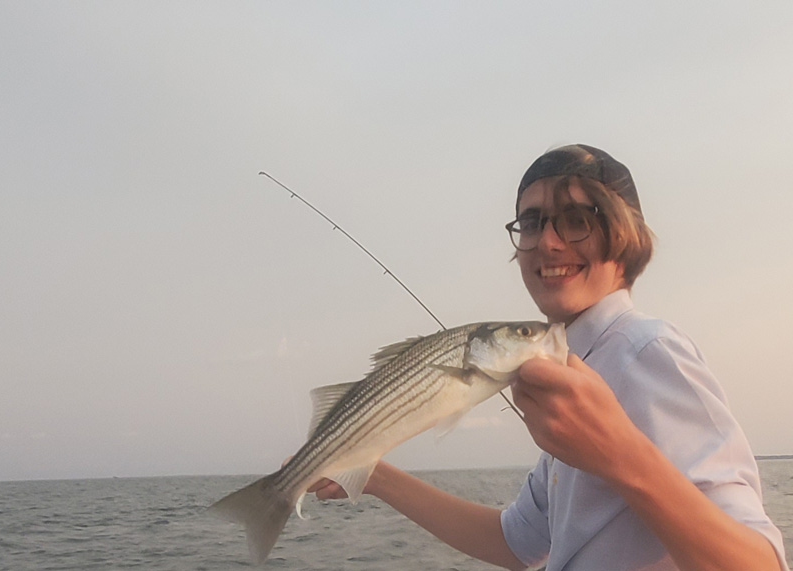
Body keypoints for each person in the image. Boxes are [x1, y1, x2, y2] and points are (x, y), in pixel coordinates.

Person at [309, 145, 789, 570]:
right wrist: (374, 476)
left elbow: (760, 563)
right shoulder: (577, 368)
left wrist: (623, 456)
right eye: (532, 222)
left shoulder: (646, 349)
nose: (548, 241)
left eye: (577, 219)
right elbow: (517, 545)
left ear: (622, 236)